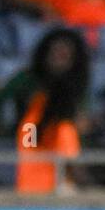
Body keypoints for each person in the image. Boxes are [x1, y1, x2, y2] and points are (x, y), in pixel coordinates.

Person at [14, 28, 89, 196]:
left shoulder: (68, 120)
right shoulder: (31, 94)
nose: (59, 60)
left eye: (65, 56)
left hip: (57, 187)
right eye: (55, 53)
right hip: (34, 186)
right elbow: (28, 140)